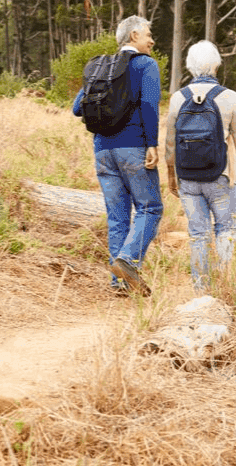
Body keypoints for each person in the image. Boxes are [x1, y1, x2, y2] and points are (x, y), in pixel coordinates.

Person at [72, 15, 163, 295]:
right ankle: (128, 261)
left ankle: (120, 284)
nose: (151, 40)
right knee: (150, 208)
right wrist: (152, 143)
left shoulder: (102, 67)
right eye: (148, 34)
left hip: (102, 150)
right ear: (134, 35)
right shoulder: (146, 64)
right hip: (133, 146)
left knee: (117, 217)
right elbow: (149, 105)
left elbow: (77, 107)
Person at [165, 40, 236, 292]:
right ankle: (226, 286)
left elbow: (170, 144)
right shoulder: (229, 97)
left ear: (189, 66)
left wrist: (171, 177)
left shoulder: (177, 98)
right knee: (226, 229)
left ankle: (200, 291)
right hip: (222, 176)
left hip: (188, 179)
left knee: (198, 235)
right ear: (216, 65)